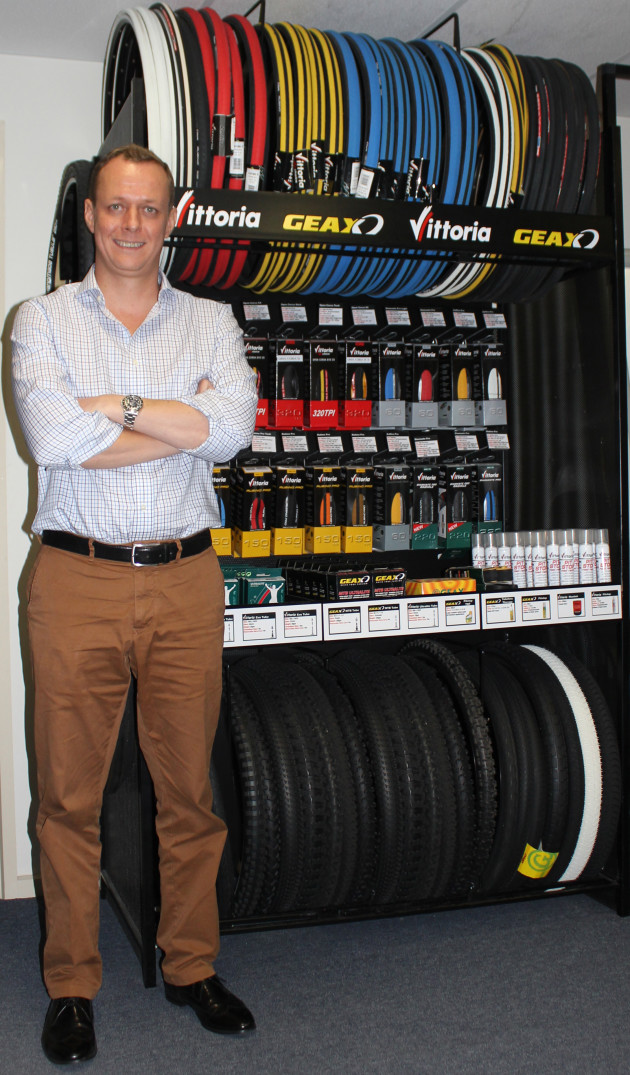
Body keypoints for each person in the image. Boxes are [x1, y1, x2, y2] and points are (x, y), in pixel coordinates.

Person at [11, 143, 258, 1064]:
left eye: (148, 209)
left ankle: (192, 964)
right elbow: (50, 438)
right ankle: (72, 985)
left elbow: (229, 434)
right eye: (116, 207)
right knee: (68, 798)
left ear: (170, 218)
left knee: (189, 789)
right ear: (90, 212)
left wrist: (108, 406)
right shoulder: (40, 319)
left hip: (188, 580)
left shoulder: (211, 321)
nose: (130, 224)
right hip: (76, 579)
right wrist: (167, 418)